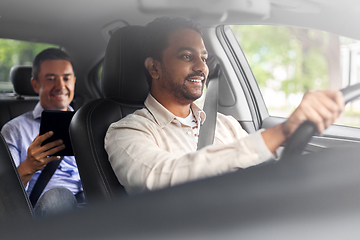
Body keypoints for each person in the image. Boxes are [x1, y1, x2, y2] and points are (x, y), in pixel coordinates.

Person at [104, 17, 344, 195]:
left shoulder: (225, 124)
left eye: (204, 58)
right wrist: (280, 132)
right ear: (154, 68)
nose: (201, 67)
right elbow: (162, 177)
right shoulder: (127, 132)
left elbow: (267, 165)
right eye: (187, 56)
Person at [1, 48, 84, 218]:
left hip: (90, 204)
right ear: (35, 84)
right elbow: (4, 195)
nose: (61, 86)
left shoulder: (88, 124)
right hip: (47, 211)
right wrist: (29, 166)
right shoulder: (14, 130)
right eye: (51, 79)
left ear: (74, 81)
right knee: (59, 197)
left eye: (66, 78)